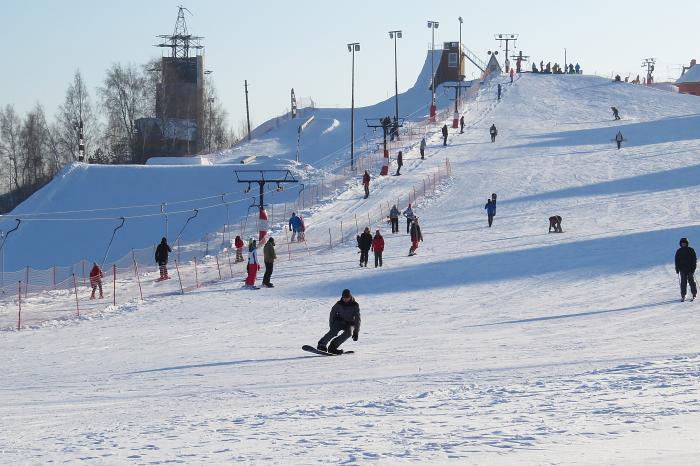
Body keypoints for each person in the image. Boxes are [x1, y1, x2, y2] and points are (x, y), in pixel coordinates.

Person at [317, 288, 360, 355]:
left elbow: (357, 319)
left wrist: (356, 332)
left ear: (350, 297)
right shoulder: (339, 304)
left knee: (348, 334)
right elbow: (332, 313)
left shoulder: (355, 305)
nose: (345, 299)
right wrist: (331, 325)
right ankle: (322, 344)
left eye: (347, 298)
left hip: (349, 324)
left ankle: (332, 347)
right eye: (344, 298)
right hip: (339, 322)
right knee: (333, 332)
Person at [675, 237, 697, 302]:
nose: (683, 244)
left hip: (690, 269)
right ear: (680, 244)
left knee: (691, 282)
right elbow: (677, 260)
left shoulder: (691, 250)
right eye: (682, 243)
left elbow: (694, 259)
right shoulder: (679, 251)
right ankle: (683, 295)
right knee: (683, 283)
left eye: (684, 243)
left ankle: (694, 294)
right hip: (682, 269)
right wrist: (677, 268)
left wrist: (693, 267)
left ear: (687, 243)